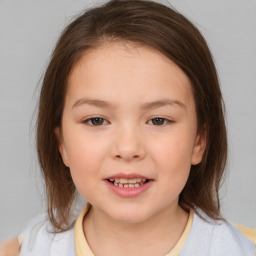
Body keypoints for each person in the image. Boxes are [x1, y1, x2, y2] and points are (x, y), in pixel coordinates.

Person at [1, 0, 255, 255]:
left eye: (158, 120)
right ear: (62, 143)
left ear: (199, 140)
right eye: (96, 120)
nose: (128, 148)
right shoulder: (25, 249)